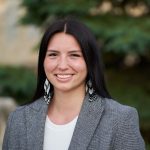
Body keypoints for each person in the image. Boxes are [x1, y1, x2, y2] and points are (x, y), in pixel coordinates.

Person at [2, 18, 145, 150]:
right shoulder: (18, 119)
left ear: (90, 62)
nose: (62, 65)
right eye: (53, 55)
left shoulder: (120, 119)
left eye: (74, 55)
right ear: (43, 61)